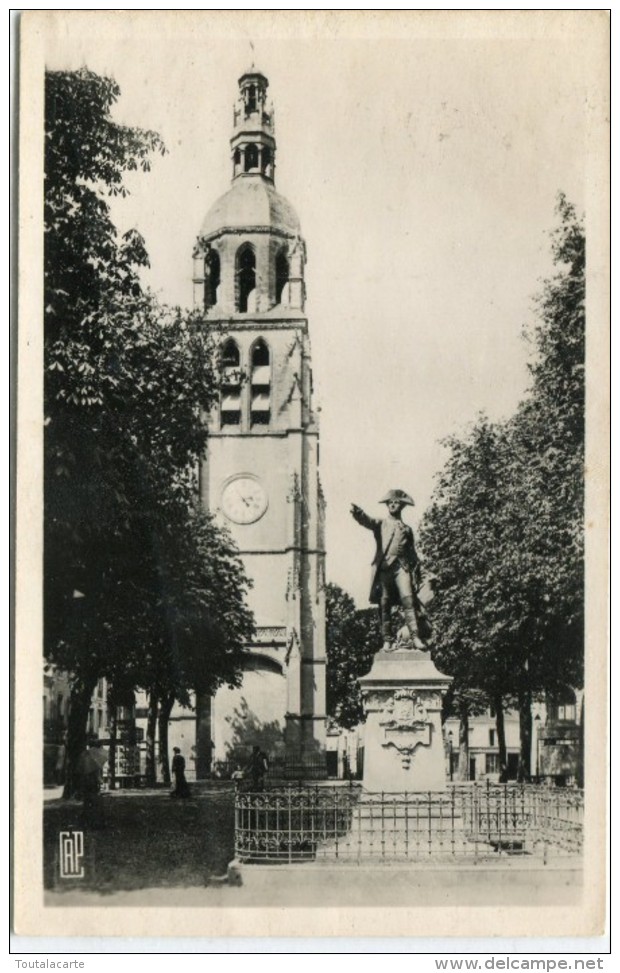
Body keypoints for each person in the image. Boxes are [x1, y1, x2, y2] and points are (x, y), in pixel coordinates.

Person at [351, 488, 430, 652]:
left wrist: (424, 572)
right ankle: (387, 639)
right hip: (385, 569)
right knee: (385, 604)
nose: (393, 505)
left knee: (408, 601)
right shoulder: (381, 524)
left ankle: (415, 637)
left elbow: (413, 554)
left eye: (397, 503)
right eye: (391, 503)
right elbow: (368, 521)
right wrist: (359, 514)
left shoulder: (407, 530)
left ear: (402, 506)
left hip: (402, 568)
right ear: (387, 505)